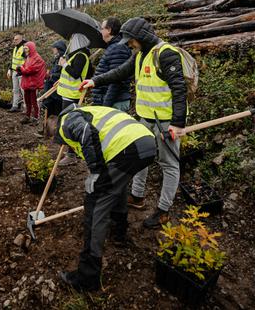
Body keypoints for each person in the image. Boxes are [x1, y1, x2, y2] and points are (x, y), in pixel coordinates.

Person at [80, 17, 187, 228]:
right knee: (139, 158)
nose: (129, 44)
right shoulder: (139, 55)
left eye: (131, 40)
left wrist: (178, 122)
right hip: (144, 119)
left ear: (142, 38)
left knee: (169, 165)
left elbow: (179, 88)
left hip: (166, 123)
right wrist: (94, 81)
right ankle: (137, 197)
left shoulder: (166, 54)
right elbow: (119, 72)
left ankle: (163, 211)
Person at [55, 104, 156, 292]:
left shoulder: (67, 121)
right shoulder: (92, 111)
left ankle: (87, 277)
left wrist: (95, 172)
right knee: (115, 187)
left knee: (95, 205)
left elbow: (85, 132)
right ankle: (119, 233)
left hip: (127, 148)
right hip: (146, 143)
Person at [57, 33, 93, 165]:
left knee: (69, 124)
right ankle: (71, 151)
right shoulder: (76, 55)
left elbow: (75, 73)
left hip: (73, 96)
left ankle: (71, 154)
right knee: (67, 123)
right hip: (68, 94)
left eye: (72, 40)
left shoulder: (81, 56)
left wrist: (65, 64)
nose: (70, 43)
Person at [91, 17, 132, 112]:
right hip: (111, 102)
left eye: (102, 28)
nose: (100, 31)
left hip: (114, 103)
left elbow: (117, 81)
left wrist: (106, 106)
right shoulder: (113, 47)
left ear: (109, 30)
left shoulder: (118, 49)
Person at [37, 39, 67, 136]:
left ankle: (55, 132)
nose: (53, 50)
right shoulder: (56, 58)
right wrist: (49, 74)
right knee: (49, 108)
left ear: (58, 49)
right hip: (51, 88)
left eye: (54, 48)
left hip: (57, 90)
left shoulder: (63, 59)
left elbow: (61, 74)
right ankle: (47, 129)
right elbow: (55, 71)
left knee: (57, 111)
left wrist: (50, 76)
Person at [16, 41, 46, 124]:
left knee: (34, 101)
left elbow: (30, 69)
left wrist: (21, 68)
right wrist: (20, 70)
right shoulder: (28, 57)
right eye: (24, 48)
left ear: (31, 48)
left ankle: (36, 117)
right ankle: (27, 116)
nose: (25, 50)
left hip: (33, 83)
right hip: (27, 82)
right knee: (27, 100)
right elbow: (25, 67)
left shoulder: (37, 58)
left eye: (26, 48)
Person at [7, 33, 26, 112]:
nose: (14, 41)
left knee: (23, 90)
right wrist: (9, 69)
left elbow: (27, 61)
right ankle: (15, 106)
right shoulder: (15, 48)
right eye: (14, 39)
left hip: (22, 73)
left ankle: (26, 107)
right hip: (14, 71)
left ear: (21, 39)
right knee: (15, 90)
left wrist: (23, 70)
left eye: (16, 39)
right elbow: (13, 60)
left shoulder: (24, 48)